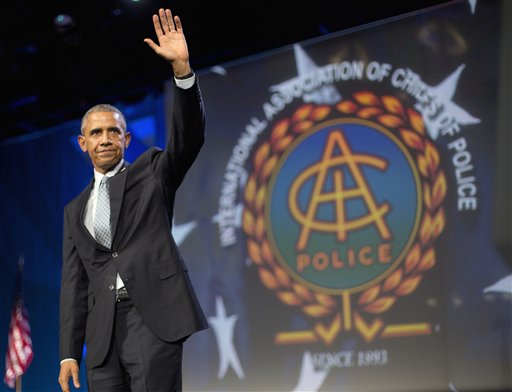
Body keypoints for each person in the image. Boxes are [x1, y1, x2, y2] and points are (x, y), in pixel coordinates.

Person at [58, 6, 208, 392]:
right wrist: (69, 352)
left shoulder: (153, 171)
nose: (105, 138)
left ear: (126, 139)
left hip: (152, 319)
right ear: (83, 143)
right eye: (96, 133)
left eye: (113, 131)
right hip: (102, 335)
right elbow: (74, 285)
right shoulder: (74, 210)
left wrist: (182, 73)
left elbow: (188, 140)